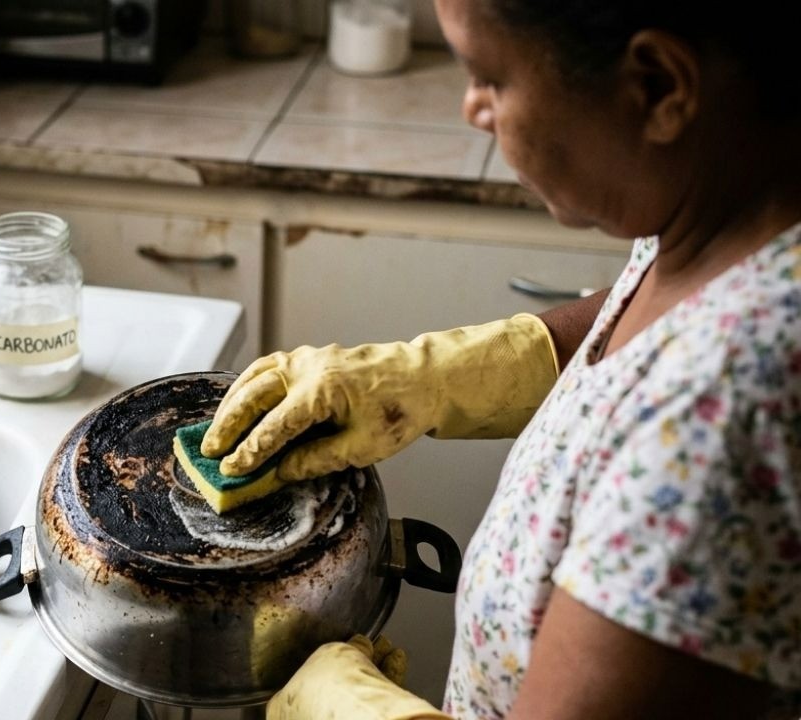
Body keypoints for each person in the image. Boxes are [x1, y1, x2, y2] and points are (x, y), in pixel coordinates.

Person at [201, 1, 801, 718]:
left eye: (490, 77)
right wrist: (450, 372)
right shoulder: (737, 189)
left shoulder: (721, 414)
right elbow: (665, 310)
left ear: (659, 88)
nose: (472, 109)